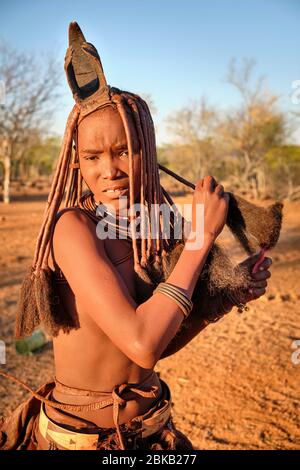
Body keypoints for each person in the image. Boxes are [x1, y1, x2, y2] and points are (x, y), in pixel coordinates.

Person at [0, 22, 272, 450]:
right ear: (76, 162)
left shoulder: (153, 228)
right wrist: (200, 240)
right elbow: (142, 343)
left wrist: (223, 299)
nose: (109, 170)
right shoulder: (74, 229)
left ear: (149, 151)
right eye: (93, 156)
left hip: (150, 432)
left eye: (124, 151)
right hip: (80, 441)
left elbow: (153, 348)